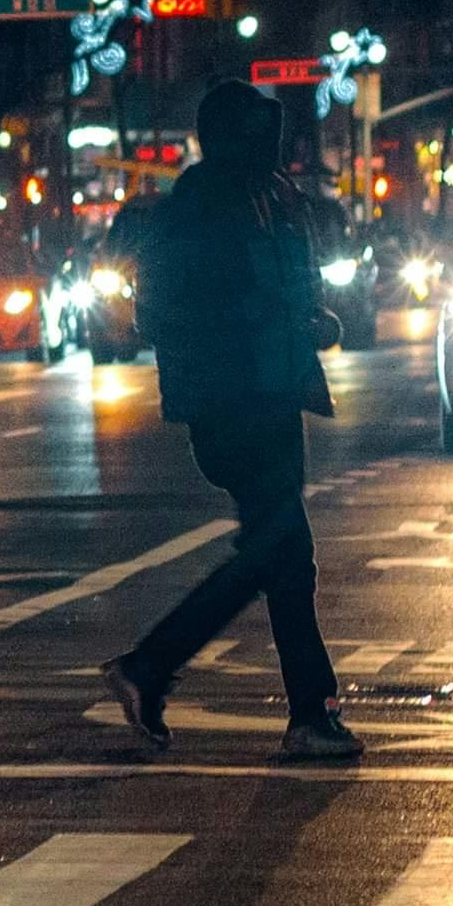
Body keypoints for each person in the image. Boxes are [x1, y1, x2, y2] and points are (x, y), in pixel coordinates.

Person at [99, 80, 359, 762]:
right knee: (279, 549)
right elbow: (162, 311)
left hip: (277, 393)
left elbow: (288, 289)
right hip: (230, 401)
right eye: (257, 132)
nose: (272, 144)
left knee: (283, 556)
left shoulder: (275, 198)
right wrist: (247, 327)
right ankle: (154, 667)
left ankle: (303, 712)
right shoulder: (200, 206)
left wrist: (306, 321)